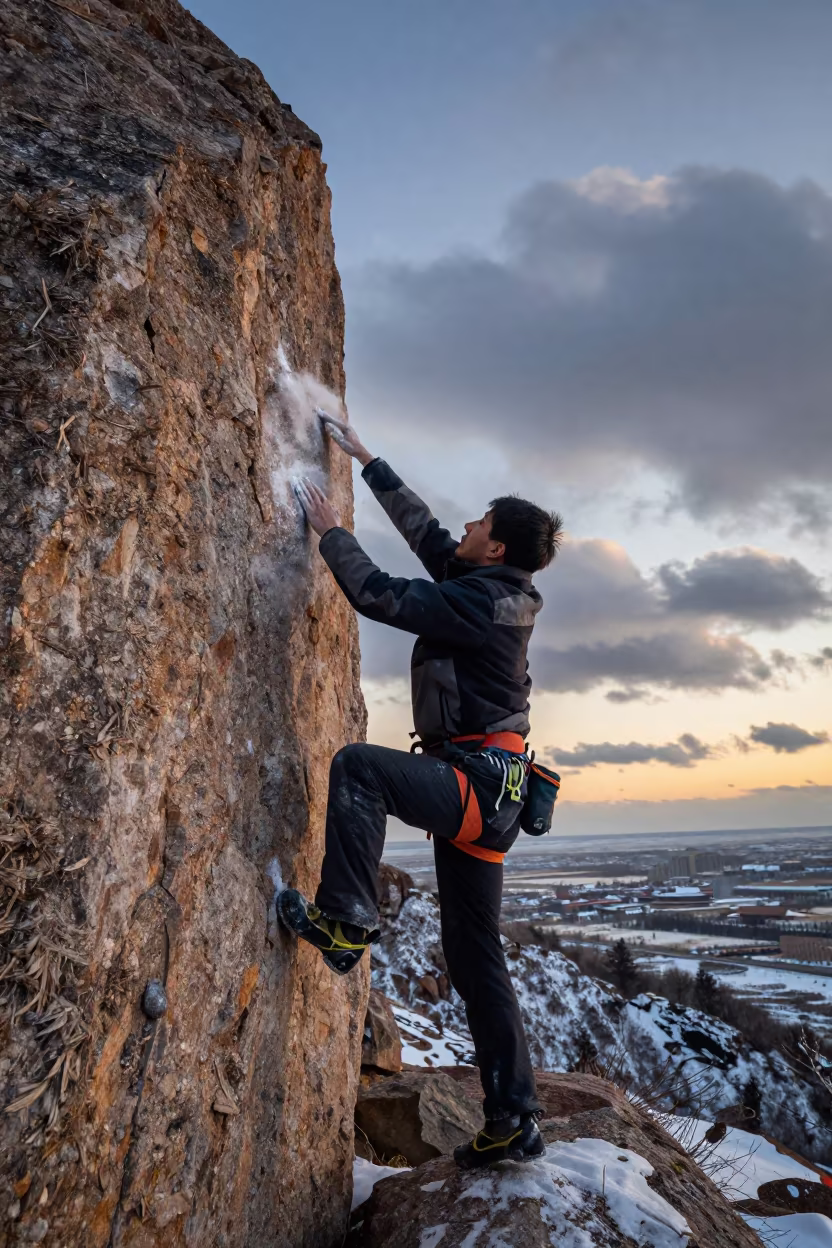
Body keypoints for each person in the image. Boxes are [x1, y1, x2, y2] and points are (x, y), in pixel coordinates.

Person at [278, 411, 563, 1168]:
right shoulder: (491, 586)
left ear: (496, 545)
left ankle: (344, 924)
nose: (465, 525)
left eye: (480, 522)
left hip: (475, 786)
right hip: (492, 794)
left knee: (359, 768)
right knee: (474, 959)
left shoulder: (479, 604)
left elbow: (379, 594)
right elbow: (429, 537)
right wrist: (368, 460)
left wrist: (330, 530)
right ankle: (514, 1119)